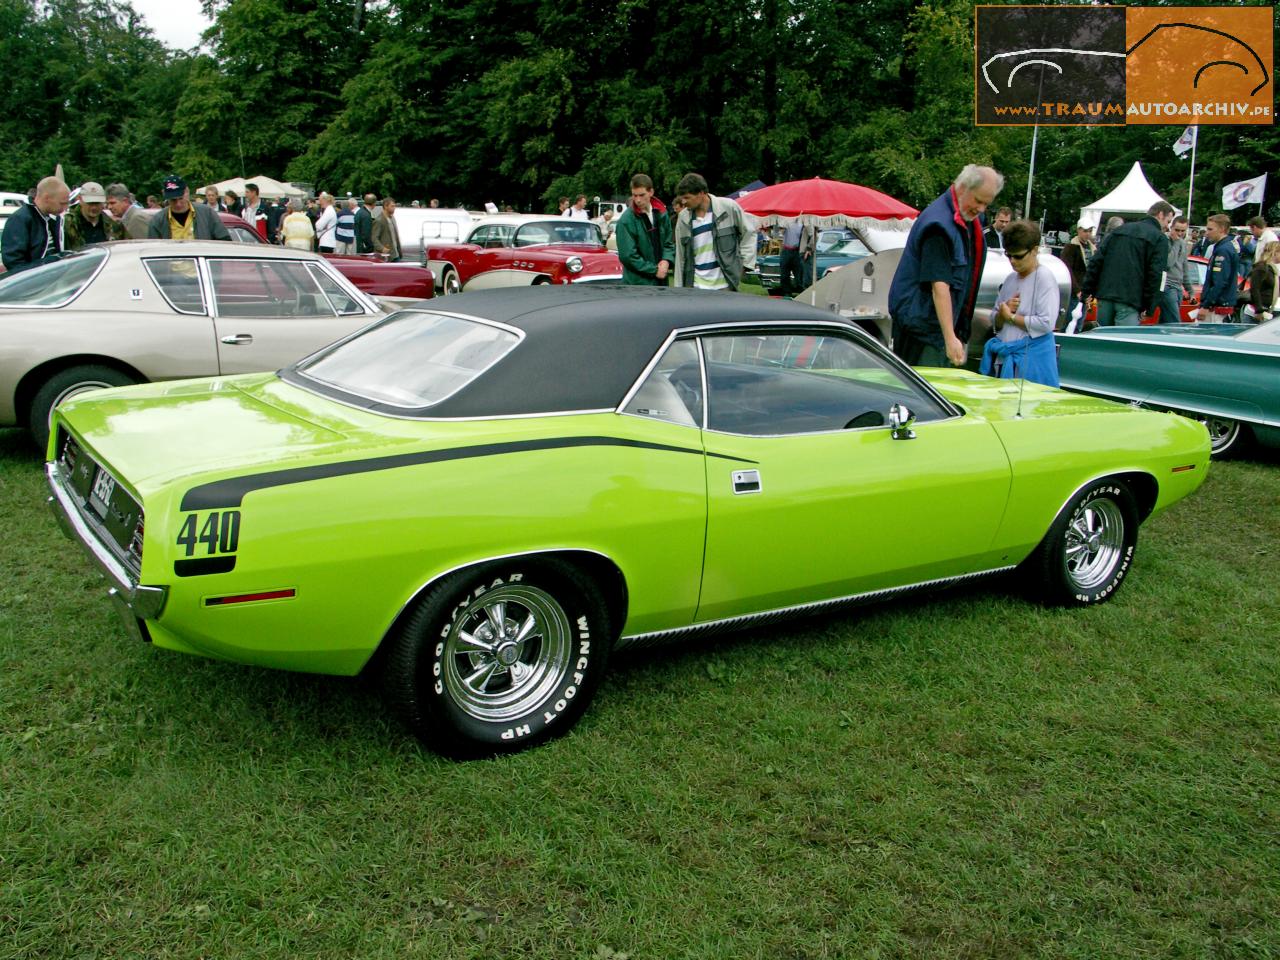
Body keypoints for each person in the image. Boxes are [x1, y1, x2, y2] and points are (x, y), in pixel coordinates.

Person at [888, 164, 1002, 367]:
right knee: (924, 393)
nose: (981, 209)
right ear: (962, 187)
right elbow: (939, 286)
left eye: (987, 204)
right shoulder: (938, 226)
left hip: (936, 326)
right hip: (923, 331)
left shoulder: (967, 219)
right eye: (978, 201)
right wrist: (950, 338)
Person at [979, 220, 1060, 387]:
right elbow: (995, 319)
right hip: (1006, 358)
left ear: (1035, 251)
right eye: (1009, 255)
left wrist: (1012, 317)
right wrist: (1002, 314)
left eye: (1018, 256)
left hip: (1033, 361)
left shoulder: (1044, 278)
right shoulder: (1010, 279)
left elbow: (1046, 323)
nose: (1013, 261)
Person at [1081, 200, 1174, 326]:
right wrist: (1150, 306)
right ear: (1160, 215)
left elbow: (1096, 261)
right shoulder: (1159, 238)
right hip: (1130, 299)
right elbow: (1157, 274)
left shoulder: (1118, 231)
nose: (1167, 226)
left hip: (1105, 295)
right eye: (1168, 221)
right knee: (1123, 342)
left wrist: (1087, 290)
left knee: (1103, 339)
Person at [671, 172, 756, 291]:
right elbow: (680, 255)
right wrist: (678, 288)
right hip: (696, 286)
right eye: (682, 198)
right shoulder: (683, 218)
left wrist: (745, 264)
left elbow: (749, 232)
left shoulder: (728, 207)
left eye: (687, 198)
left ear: (701, 193)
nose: (683, 202)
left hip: (726, 284)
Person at [614, 173, 674, 285]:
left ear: (651, 192)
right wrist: (654, 270)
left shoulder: (662, 213)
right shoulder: (626, 220)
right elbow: (628, 256)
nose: (638, 200)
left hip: (661, 281)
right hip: (636, 283)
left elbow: (669, 243)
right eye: (634, 195)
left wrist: (666, 261)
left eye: (642, 195)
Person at [1, 175, 69, 273]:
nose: (65, 207)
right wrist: (49, 262)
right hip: (34, 283)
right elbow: (14, 264)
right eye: (62, 203)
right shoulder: (20, 219)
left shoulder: (53, 218)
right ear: (47, 198)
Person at [147, 175, 232, 241]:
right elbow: (152, 250)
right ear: (164, 195)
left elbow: (225, 242)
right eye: (173, 200)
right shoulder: (157, 221)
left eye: (180, 198)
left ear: (187, 191)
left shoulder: (207, 213)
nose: (178, 204)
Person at [1194, 214, 1240, 322]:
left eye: (1210, 229)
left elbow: (1219, 282)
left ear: (1222, 229)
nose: (1207, 233)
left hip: (1217, 308)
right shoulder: (1223, 247)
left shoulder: (1223, 250)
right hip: (1218, 305)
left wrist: (1206, 306)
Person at [64, 181, 124, 250]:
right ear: (80, 199)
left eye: (97, 203)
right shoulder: (66, 224)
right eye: (90, 203)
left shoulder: (113, 225)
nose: (94, 207)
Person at [1059, 221, 1095, 328]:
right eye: (1085, 231)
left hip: (1085, 291)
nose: (1087, 234)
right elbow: (1067, 270)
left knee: (1078, 323)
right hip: (1074, 291)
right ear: (1079, 230)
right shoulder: (1071, 247)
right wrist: (1077, 290)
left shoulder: (1092, 248)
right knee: (1069, 322)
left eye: (1089, 231)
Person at [1159, 216, 1190, 324]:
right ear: (1171, 228)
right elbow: (1168, 263)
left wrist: (1190, 290)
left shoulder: (1183, 243)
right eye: (1177, 230)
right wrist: (1176, 243)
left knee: (1165, 320)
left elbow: (1184, 268)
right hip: (1166, 285)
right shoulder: (1164, 241)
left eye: (1183, 231)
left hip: (1178, 286)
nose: (1180, 233)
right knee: (1174, 321)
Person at [1244, 240, 1280, 323]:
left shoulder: (1271, 269)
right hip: (1255, 312)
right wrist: (1259, 310)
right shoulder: (1261, 268)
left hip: (1265, 310)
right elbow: (1255, 289)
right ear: (1275, 252)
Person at [778, 221, 815, 297]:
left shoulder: (803, 224)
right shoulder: (786, 222)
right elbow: (779, 232)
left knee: (798, 273)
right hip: (786, 250)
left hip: (797, 251)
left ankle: (800, 291)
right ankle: (786, 292)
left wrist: (808, 248)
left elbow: (810, 235)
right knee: (784, 274)